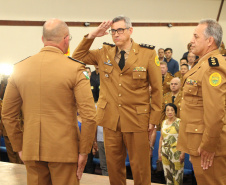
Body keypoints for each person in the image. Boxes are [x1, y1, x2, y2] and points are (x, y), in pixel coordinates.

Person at [1, 18, 97, 185]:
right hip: (65, 151)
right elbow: (89, 115)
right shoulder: (75, 68)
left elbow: (8, 114)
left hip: (32, 150)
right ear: (66, 39)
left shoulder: (20, 68)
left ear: (43, 39)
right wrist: (84, 151)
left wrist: (20, 147)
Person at [72, 15, 162, 185]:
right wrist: (92, 35)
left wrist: (154, 120)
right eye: (113, 31)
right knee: (113, 167)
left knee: (140, 168)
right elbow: (78, 55)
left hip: (137, 119)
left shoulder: (147, 54)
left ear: (130, 30)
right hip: (111, 120)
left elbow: (157, 89)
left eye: (120, 30)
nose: (116, 34)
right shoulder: (104, 52)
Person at [177, 19, 226, 185]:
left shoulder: (212, 67)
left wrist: (209, 146)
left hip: (206, 147)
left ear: (209, 40)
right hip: (198, 143)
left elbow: (215, 112)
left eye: (196, 36)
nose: (192, 40)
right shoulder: (202, 64)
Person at [159, 103, 185, 185]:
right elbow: (161, 138)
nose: (170, 112)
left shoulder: (179, 122)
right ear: (165, 112)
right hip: (165, 151)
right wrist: (159, 152)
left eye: (172, 110)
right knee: (167, 175)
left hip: (176, 152)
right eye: (167, 110)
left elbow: (183, 138)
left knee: (177, 176)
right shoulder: (163, 122)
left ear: (175, 112)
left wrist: (183, 153)